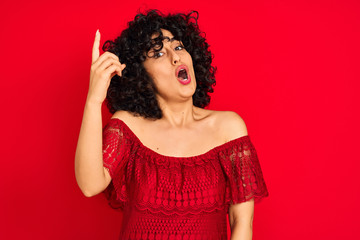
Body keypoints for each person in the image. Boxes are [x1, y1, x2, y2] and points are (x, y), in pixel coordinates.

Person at [75, 9, 269, 240]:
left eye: (178, 47)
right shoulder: (127, 126)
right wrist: (94, 100)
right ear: (141, 76)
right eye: (158, 54)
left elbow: (242, 222)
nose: (175, 57)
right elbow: (89, 184)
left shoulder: (228, 128)